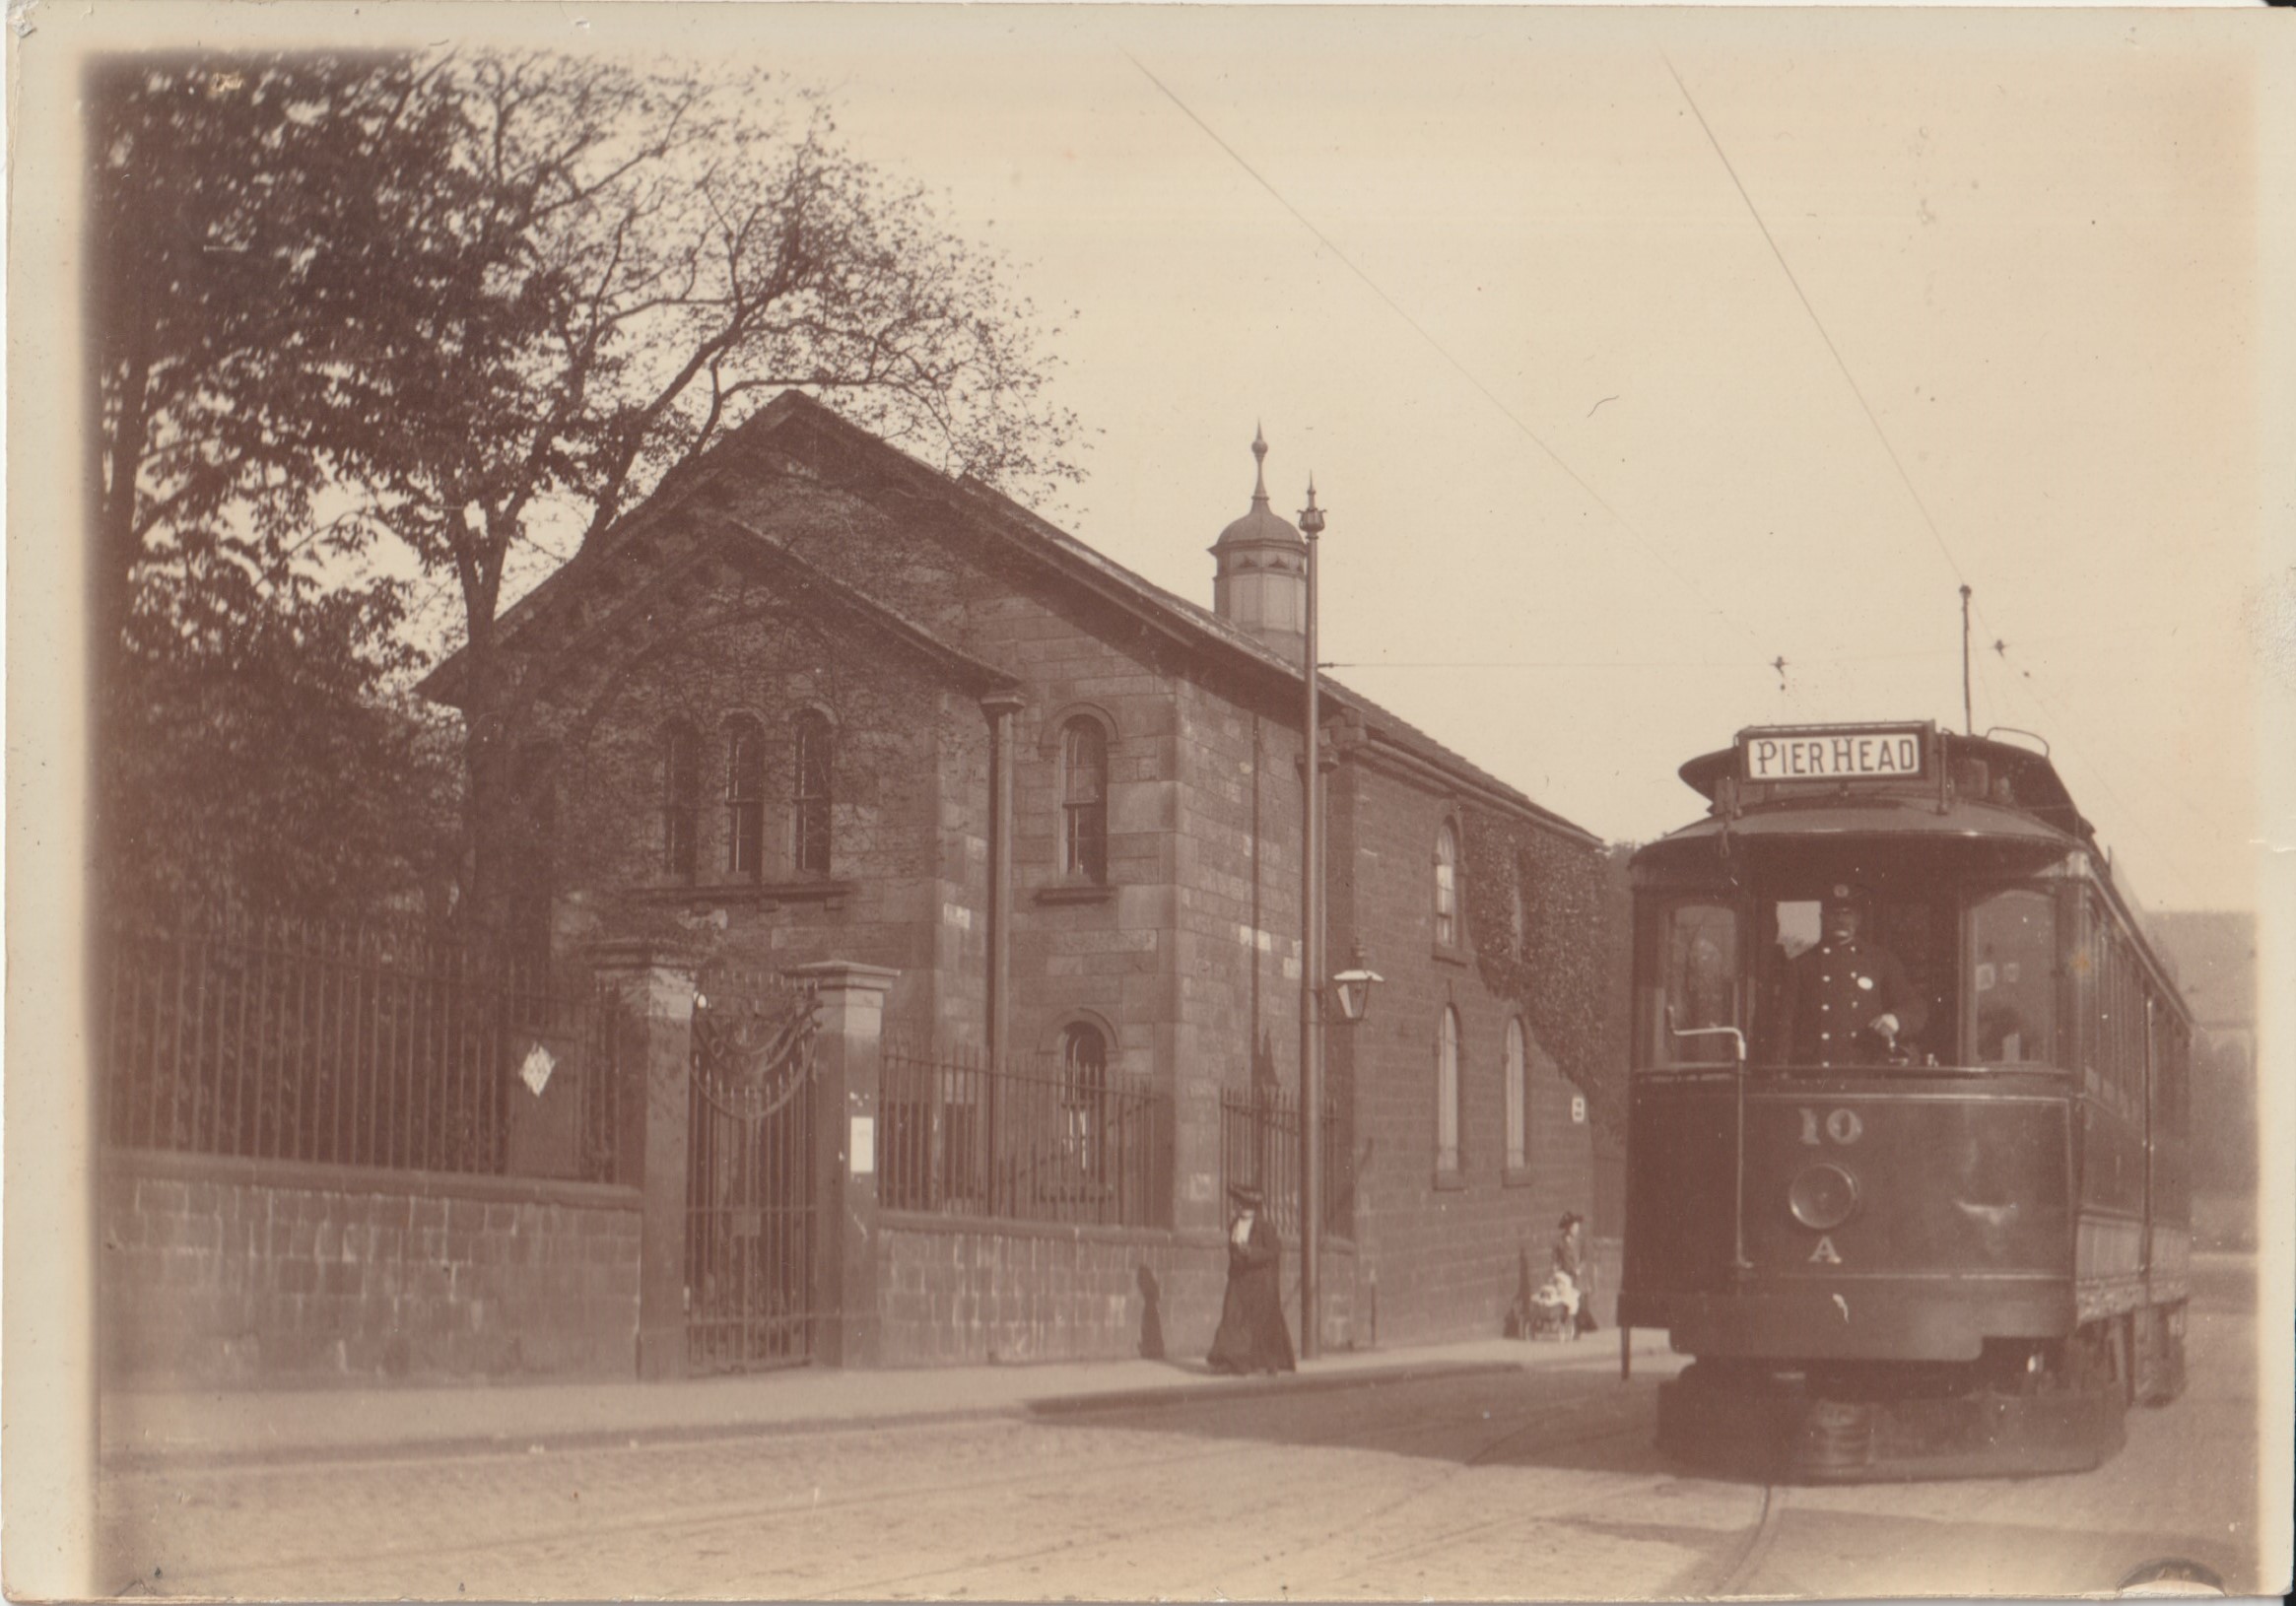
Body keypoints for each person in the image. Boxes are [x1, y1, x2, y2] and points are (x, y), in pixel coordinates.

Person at [1779, 886, 1929, 1068]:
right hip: (1816, 1074)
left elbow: (1916, 1007)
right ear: (1822, 918)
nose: (1841, 919)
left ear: (1858, 919)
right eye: (1834, 913)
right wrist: (1782, 1070)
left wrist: (1897, 1019)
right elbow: (1785, 1024)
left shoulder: (1880, 960)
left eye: (1847, 913)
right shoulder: (1801, 964)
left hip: (1866, 1074)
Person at [1206, 1183, 1296, 1374]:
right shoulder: (1234, 1225)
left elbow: (1274, 1251)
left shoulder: (1265, 1226)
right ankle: (1228, 1361)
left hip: (1259, 1282)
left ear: (1249, 1205)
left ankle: (1267, 1362)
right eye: (1237, 1203)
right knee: (1230, 1318)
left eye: (1239, 1203)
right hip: (1238, 1279)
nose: (1236, 1207)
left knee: (1260, 1324)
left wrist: (1251, 1252)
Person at [1551, 1211, 1597, 1334]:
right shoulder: (1560, 1242)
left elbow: (1584, 1258)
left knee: (1578, 1301)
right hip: (1566, 1275)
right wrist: (1555, 1267)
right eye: (1573, 1227)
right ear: (1567, 1228)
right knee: (1566, 1299)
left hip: (1578, 1276)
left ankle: (1579, 1327)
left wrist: (1579, 1269)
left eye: (1577, 1227)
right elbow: (1556, 1258)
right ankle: (1568, 1325)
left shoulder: (1580, 1240)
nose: (1576, 1229)